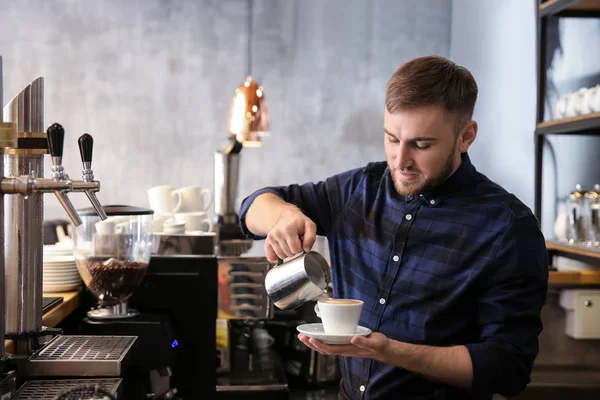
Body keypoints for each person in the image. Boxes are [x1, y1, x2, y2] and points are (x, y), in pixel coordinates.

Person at [238, 55, 549, 400]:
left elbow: (507, 368)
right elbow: (252, 207)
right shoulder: (357, 190)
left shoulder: (507, 228)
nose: (400, 161)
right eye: (391, 138)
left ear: (466, 137)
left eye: (422, 144)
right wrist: (283, 217)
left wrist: (390, 351)